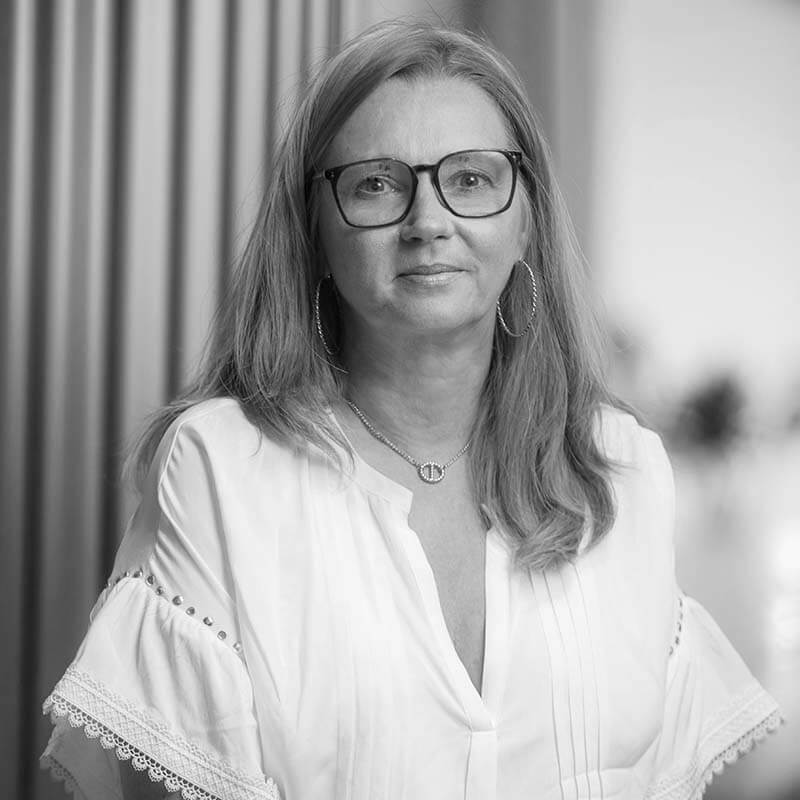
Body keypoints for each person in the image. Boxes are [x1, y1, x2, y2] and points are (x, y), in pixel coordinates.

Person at [40, 18, 780, 800]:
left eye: (472, 179)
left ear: (526, 219)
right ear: (315, 231)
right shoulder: (220, 468)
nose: (428, 222)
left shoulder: (625, 470)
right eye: (377, 184)